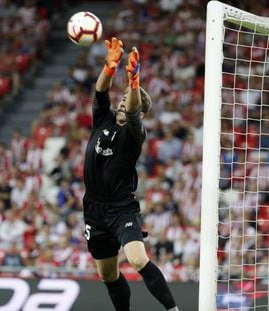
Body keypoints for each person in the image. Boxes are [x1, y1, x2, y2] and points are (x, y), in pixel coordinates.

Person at [83, 37, 179, 311]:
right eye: (122, 99)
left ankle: (173, 309)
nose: (123, 103)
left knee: (137, 259)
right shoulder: (103, 120)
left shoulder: (134, 134)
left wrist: (134, 84)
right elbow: (100, 92)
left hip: (121, 208)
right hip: (93, 208)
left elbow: (135, 111)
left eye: (128, 100)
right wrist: (110, 68)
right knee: (107, 274)